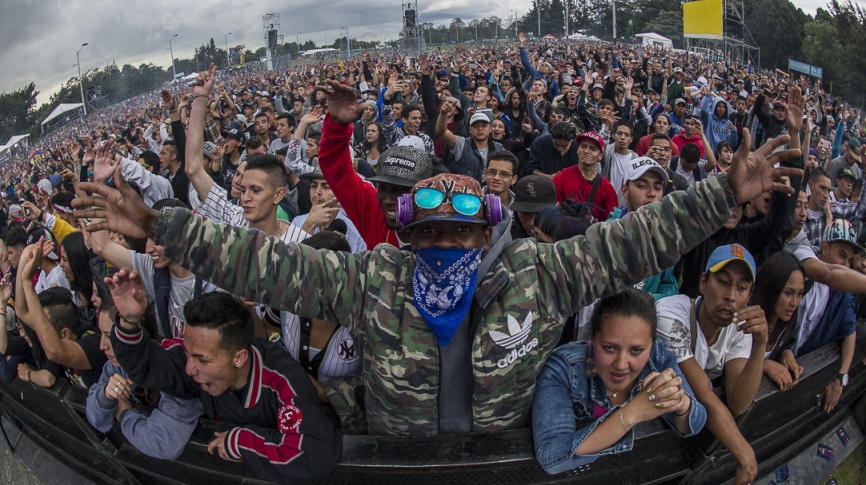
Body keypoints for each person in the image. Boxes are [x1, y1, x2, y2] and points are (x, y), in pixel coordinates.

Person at [75, 79, 799, 483]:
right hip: (395, 469)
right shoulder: (375, 282)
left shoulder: (539, 274)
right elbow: (267, 265)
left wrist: (718, 195)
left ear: (486, 236)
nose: (445, 247)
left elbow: (634, 238)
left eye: (460, 235)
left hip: (505, 467)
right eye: (430, 236)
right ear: (408, 238)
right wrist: (162, 225)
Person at [104, 273, 342, 482]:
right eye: (188, 355)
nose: (189, 369)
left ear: (239, 358)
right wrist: (129, 322)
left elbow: (310, 452)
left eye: (202, 359)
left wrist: (242, 440)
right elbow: (147, 364)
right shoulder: (196, 362)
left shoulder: (284, 382)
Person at [532, 289, 705, 474]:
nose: (621, 365)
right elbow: (552, 457)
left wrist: (679, 401)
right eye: (609, 348)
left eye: (636, 351)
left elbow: (695, 422)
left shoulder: (658, 358)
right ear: (592, 337)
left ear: (652, 344)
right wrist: (633, 413)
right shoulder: (562, 369)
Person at [655, 244, 767, 481]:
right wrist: (744, 454)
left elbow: (739, 402)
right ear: (704, 283)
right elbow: (703, 393)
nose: (731, 296)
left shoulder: (740, 328)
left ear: (749, 296)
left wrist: (760, 343)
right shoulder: (671, 317)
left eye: (742, 288)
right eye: (723, 282)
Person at [86, 296, 204, 460]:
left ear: (132, 334)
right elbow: (95, 419)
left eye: (109, 336)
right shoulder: (115, 366)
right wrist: (106, 396)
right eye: (101, 334)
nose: (101, 345)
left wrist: (124, 414)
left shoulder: (174, 370)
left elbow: (163, 444)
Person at [16, 244, 106, 388]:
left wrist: (27, 283)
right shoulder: (64, 325)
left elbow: (54, 352)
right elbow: (22, 311)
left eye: (44, 324)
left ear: (65, 334)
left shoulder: (92, 344)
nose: (40, 327)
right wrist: (23, 261)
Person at [607, 157, 678, 300]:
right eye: (642, 186)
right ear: (625, 191)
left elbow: (669, 285)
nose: (652, 193)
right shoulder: (606, 233)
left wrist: (651, 299)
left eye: (657, 187)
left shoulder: (666, 236)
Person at [749, 251, 805, 392]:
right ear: (771, 288)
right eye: (788, 293)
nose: (794, 302)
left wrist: (786, 353)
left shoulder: (785, 319)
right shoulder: (748, 317)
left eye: (799, 294)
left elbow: (787, 343)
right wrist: (765, 365)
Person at [552, 132, 618, 222]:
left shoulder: (606, 188)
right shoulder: (562, 177)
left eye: (593, 149)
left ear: (600, 156)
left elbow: (611, 221)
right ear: (577, 150)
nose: (586, 151)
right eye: (583, 146)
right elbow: (551, 211)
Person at [437, 107, 503, 183]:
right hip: (465, 193)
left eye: (484, 126)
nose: (480, 129)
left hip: (489, 192)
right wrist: (443, 113)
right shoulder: (461, 143)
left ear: (490, 128)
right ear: (470, 130)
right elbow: (442, 132)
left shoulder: (499, 148)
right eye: (475, 126)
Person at [509, 175, 557, 239]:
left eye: (539, 214)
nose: (531, 222)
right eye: (524, 213)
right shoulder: (506, 239)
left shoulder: (567, 238)